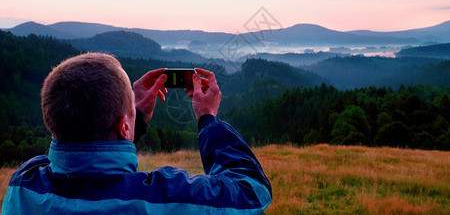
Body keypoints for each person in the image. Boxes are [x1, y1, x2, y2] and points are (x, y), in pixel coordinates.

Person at [1, 52, 272, 214]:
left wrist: (134, 117)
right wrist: (208, 119)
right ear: (123, 126)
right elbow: (252, 192)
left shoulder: (22, 185)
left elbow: (85, 157)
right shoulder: (161, 197)